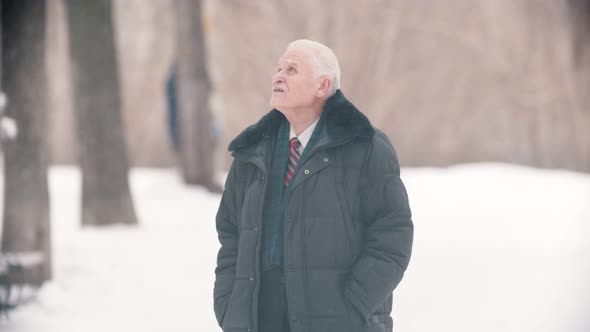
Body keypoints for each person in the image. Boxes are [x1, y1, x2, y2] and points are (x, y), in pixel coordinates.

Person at [214, 39, 413, 332]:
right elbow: (230, 232)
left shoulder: (366, 146)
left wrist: (356, 302)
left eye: (292, 69)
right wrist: (229, 303)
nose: (278, 76)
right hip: (260, 318)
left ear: (322, 86)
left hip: (338, 317)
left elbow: (393, 234)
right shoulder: (251, 152)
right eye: (279, 68)